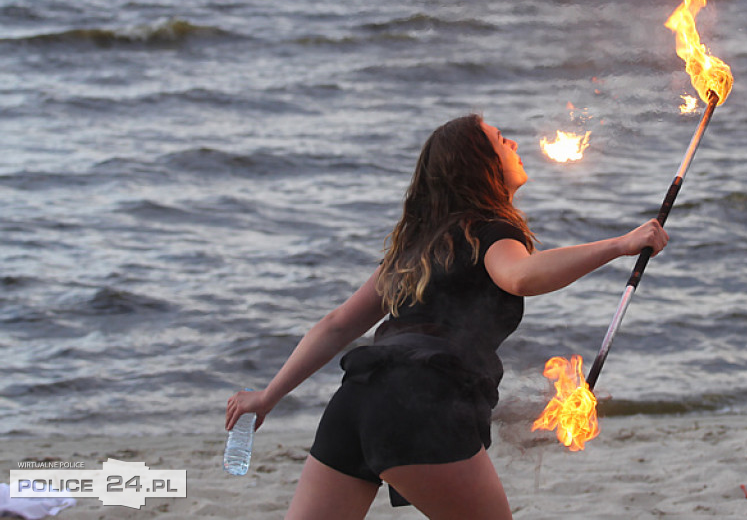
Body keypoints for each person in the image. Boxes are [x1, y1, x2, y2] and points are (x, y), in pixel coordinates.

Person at [225, 114, 668, 519]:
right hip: (422, 402)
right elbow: (520, 276)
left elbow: (338, 324)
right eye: (500, 139)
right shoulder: (492, 231)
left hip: (356, 401)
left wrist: (268, 396)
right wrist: (619, 245)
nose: (513, 142)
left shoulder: (416, 248)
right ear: (478, 164)